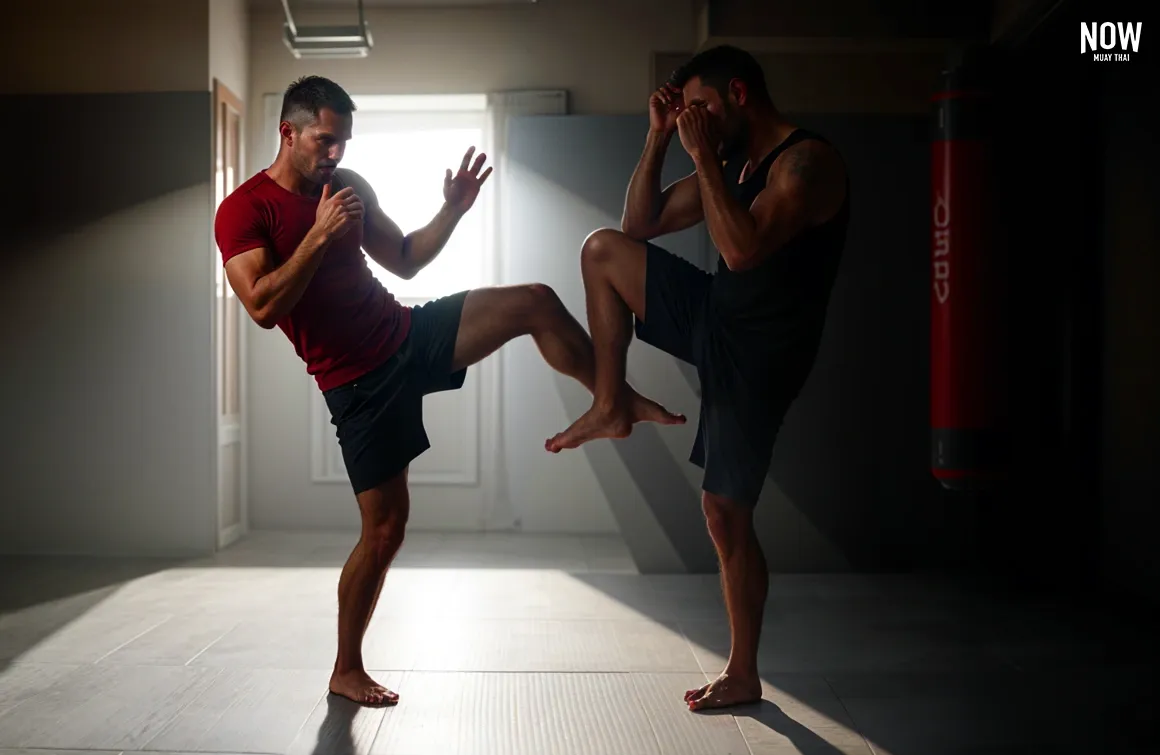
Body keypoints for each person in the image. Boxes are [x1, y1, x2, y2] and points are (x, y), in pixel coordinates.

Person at [213, 76, 683, 706]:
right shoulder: (243, 210)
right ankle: (345, 668)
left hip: (406, 332)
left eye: (344, 142)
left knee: (535, 303)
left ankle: (611, 402)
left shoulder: (347, 187)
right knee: (384, 531)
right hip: (356, 382)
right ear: (288, 132)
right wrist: (320, 235)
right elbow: (263, 306)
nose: (336, 154)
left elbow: (405, 259)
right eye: (325, 141)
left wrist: (453, 209)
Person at [546, 46, 851, 710]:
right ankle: (610, 402)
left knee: (722, 511)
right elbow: (639, 223)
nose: (697, 124)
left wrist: (704, 156)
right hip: (716, 314)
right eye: (687, 116)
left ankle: (743, 671)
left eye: (703, 110)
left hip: (763, 354)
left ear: (739, 93)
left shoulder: (806, 164)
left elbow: (742, 250)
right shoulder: (734, 161)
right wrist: (658, 139)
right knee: (603, 249)